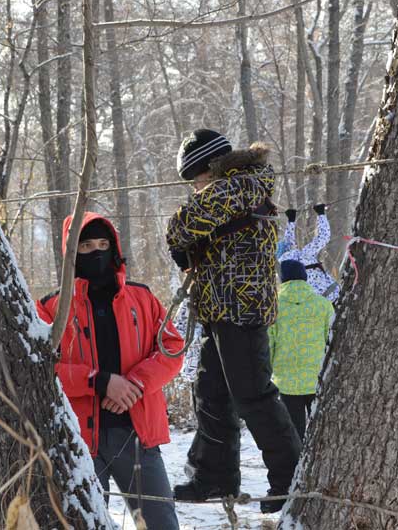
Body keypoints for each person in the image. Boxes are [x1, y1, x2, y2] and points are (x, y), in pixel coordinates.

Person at [166, 129, 302, 514]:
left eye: (196, 179)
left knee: (253, 396)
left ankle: (289, 477)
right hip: (219, 309)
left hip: (240, 310)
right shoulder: (232, 189)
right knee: (211, 395)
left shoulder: (241, 184)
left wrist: (181, 238)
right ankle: (214, 476)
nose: (195, 188)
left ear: (212, 168)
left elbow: (180, 226)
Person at [36, 213, 184, 530]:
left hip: (136, 434)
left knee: (162, 525)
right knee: (82, 525)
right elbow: (38, 370)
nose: (97, 252)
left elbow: (172, 349)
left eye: (104, 243)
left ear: (114, 246)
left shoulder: (142, 298)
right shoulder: (51, 308)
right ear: (71, 252)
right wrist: (99, 382)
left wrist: (134, 385)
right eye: (86, 245)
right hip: (76, 439)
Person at [268, 260, 334, 441]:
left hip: (285, 381)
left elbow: (268, 344)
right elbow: (331, 340)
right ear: (305, 277)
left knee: (293, 434)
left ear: (282, 279)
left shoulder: (274, 307)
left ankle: (296, 466)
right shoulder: (323, 305)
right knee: (320, 433)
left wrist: (267, 373)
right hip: (317, 378)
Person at [278, 204, 341, 301]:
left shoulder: (283, 270)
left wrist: (291, 221)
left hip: (315, 305)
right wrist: (321, 214)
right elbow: (323, 237)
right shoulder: (304, 255)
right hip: (333, 294)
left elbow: (288, 243)